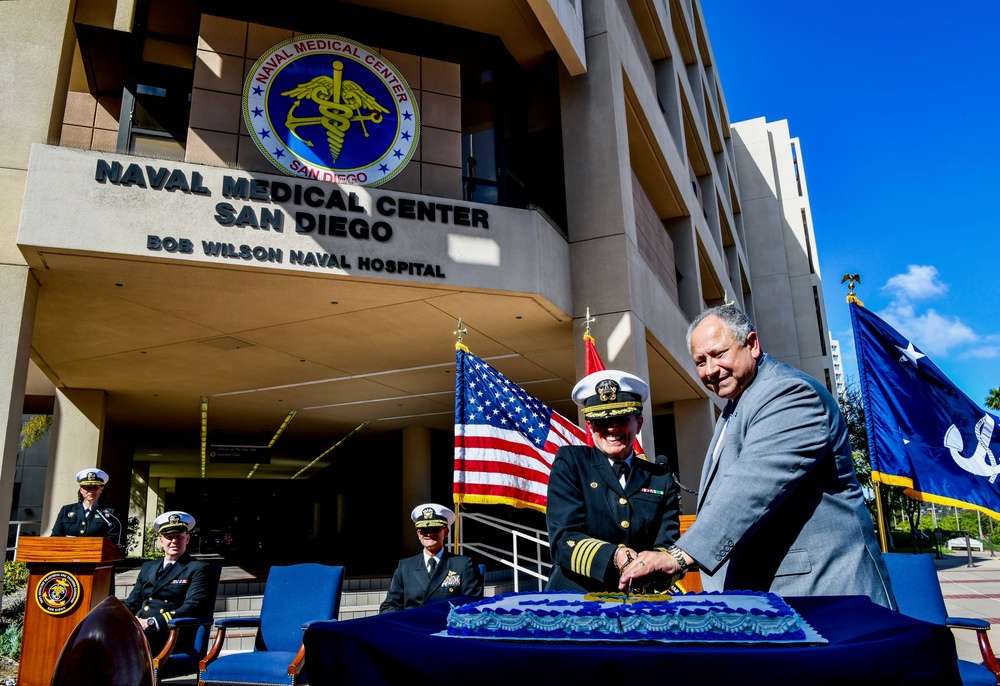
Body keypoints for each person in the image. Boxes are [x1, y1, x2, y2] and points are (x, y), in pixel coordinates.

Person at [618, 304, 896, 608]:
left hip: (828, 597)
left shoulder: (788, 393)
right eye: (700, 361)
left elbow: (752, 485)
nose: (710, 370)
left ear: (752, 345)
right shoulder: (737, 406)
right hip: (774, 600)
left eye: (719, 354)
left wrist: (677, 557)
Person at [545, 370, 680, 592]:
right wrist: (614, 555)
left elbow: (667, 548)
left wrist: (652, 565)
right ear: (590, 426)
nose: (611, 428)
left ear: (639, 423)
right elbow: (563, 539)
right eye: (601, 420)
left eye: (621, 419)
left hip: (639, 601)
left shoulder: (660, 478)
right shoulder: (571, 463)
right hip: (575, 601)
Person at [124, 511, 215, 656]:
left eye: (179, 537)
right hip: (140, 628)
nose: (174, 541)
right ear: (161, 541)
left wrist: (152, 622)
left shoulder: (197, 568)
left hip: (170, 632)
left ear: (187, 539)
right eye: (169, 537)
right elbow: (133, 602)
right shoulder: (148, 567)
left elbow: (192, 607)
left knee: (125, 645)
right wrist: (122, 618)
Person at [379, 503, 483, 613]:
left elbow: (473, 604)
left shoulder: (463, 565)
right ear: (418, 534)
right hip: (413, 626)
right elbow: (390, 605)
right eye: (424, 530)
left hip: (446, 627)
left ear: (446, 532)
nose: (429, 534)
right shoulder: (405, 567)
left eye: (435, 529)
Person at [50, 469, 122, 545]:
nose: (91, 491)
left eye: (95, 488)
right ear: (81, 490)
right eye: (87, 488)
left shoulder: (110, 512)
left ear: (101, 489)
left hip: (95, 554)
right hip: (69, 553)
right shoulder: (67, 510)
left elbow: (113, 539)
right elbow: (55, 536)